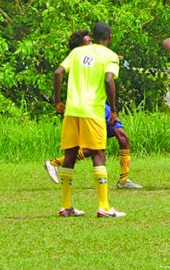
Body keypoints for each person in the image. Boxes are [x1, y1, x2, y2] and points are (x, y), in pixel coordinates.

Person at [44, 33, 142, 189]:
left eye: (91, 39)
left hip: (95, 105)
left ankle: (123, 180)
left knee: (118, 138)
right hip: (91, 106)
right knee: (97, 147)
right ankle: (55, 164)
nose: (91, 42)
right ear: (81, 45)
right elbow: (60, 72)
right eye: (87, 40)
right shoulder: (78, 56)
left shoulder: (91, 55)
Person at [52, 24, 126, 218]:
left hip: (72, 110)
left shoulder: (77, 52)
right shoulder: (110, 55)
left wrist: (58, 100)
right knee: (98, 154)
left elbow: (58, 72)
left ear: (93, 36)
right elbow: (109, 80)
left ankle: (66, 205)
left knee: (70, 155)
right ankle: (104, 206)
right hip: (92, 110)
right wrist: (114, 109)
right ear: (109, 37)